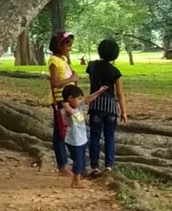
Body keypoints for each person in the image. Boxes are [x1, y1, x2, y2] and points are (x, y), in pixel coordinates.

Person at [86, 38, 128, 174]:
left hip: (95, 105)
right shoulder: (115, 72)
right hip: (110, 107)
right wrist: (123, 111)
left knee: (94, 136)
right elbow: (120, 94)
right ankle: (109, 165)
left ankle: (94, 166)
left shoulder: (91, 66)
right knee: (109, 136)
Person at [60, 83, 105, 187]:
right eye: (78, 99)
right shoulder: (66, 111)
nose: (81, 101)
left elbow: (88, 99)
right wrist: (65, 103)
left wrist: (99, 91)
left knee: (82, 161)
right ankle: (76, 181)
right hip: (74, 141)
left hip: (81, 139)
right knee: (79, 161)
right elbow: (68, 111)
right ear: (70, 98)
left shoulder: (78, 107)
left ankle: (75, 180)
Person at [46, 32, 78, 174]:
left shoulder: (63, 59)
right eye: (68, 45)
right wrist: (71, 77)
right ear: (59, 45)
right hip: (60, 101)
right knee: (60, 133)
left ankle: (68, 161)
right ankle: (62, 164)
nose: (69, 48)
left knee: (67, 131)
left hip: (69, 100)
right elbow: (55, 83)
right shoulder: (53, 61)